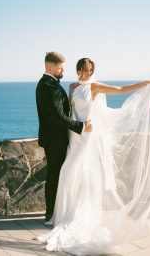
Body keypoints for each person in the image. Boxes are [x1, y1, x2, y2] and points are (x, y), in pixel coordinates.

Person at [38, 58, 150, 254]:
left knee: (78, 172)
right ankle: (64, 214)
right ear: (78, 70)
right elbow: (68, 111)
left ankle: (79, 213)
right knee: (69, 173)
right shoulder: (72, 87)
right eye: (84, 70)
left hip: (87, 136)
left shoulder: (95, 87)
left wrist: (145, 84)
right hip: (73, 136)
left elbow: (120, 89)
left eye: (90, 70)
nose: (87, 74)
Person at [36, 52, 92, 226]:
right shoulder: (49, 86)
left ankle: (54, 212)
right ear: (50, 67)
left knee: (57, 174)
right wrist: (81, 126)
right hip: (55, 139)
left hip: (55, 137)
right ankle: (51, 214)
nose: (63, 70)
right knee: (55, 175)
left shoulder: (48, 83)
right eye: (60, 67)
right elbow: (58, 116)